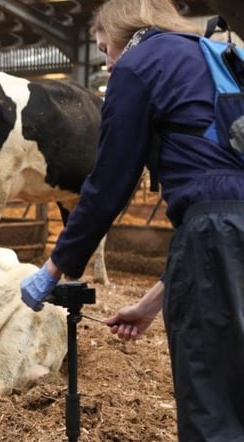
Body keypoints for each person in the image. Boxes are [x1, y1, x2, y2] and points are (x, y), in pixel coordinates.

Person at [19, 0, 244, 440]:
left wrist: (54, 267)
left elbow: (109, 183)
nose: (106, 63)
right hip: (220, 234)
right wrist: (149, 305)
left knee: (211, 404)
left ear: (123, 31)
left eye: (105, 49)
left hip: (212, 234)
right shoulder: (213, 54)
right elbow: (223, 207)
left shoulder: (140, 62)